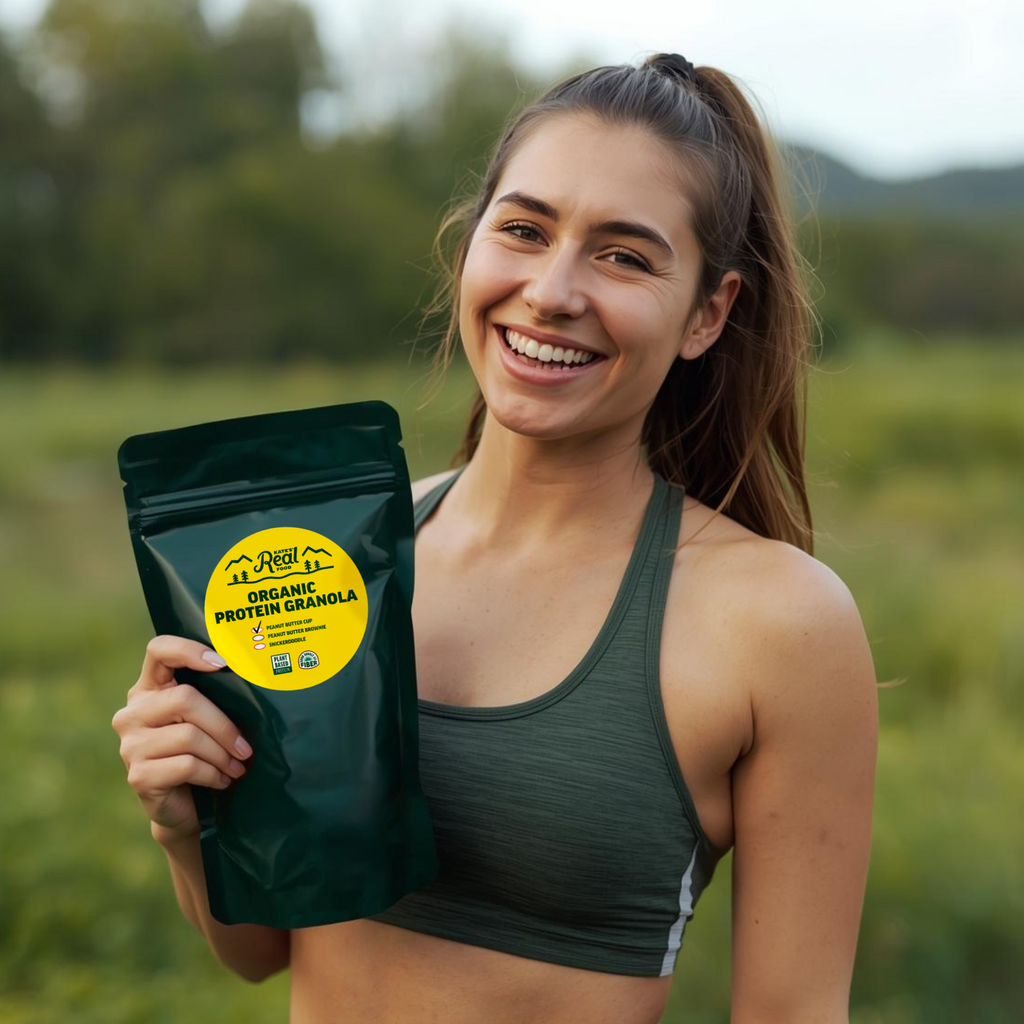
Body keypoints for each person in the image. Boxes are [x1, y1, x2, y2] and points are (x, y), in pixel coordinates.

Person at [111, 52, 879, 1024]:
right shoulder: (336, 557)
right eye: (523, 230)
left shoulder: (778, 621)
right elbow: (263, 951)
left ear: (708, 313)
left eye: (624, 256)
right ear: (468, 246)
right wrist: (184, 819)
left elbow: (793, 1011)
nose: (552, 291)